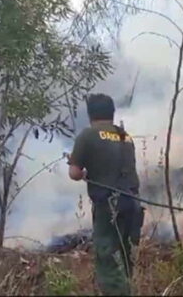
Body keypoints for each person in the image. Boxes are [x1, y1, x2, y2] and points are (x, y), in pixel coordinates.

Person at [68, 93, 144, 296]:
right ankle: (129, 288)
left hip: (109, 206)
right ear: (112, 112)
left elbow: (74, 173)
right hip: (133, 203)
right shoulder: (125, 136)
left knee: (106, 255)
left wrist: (84, 173)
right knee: (126, 254)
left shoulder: (88, 135)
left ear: (90, 113)